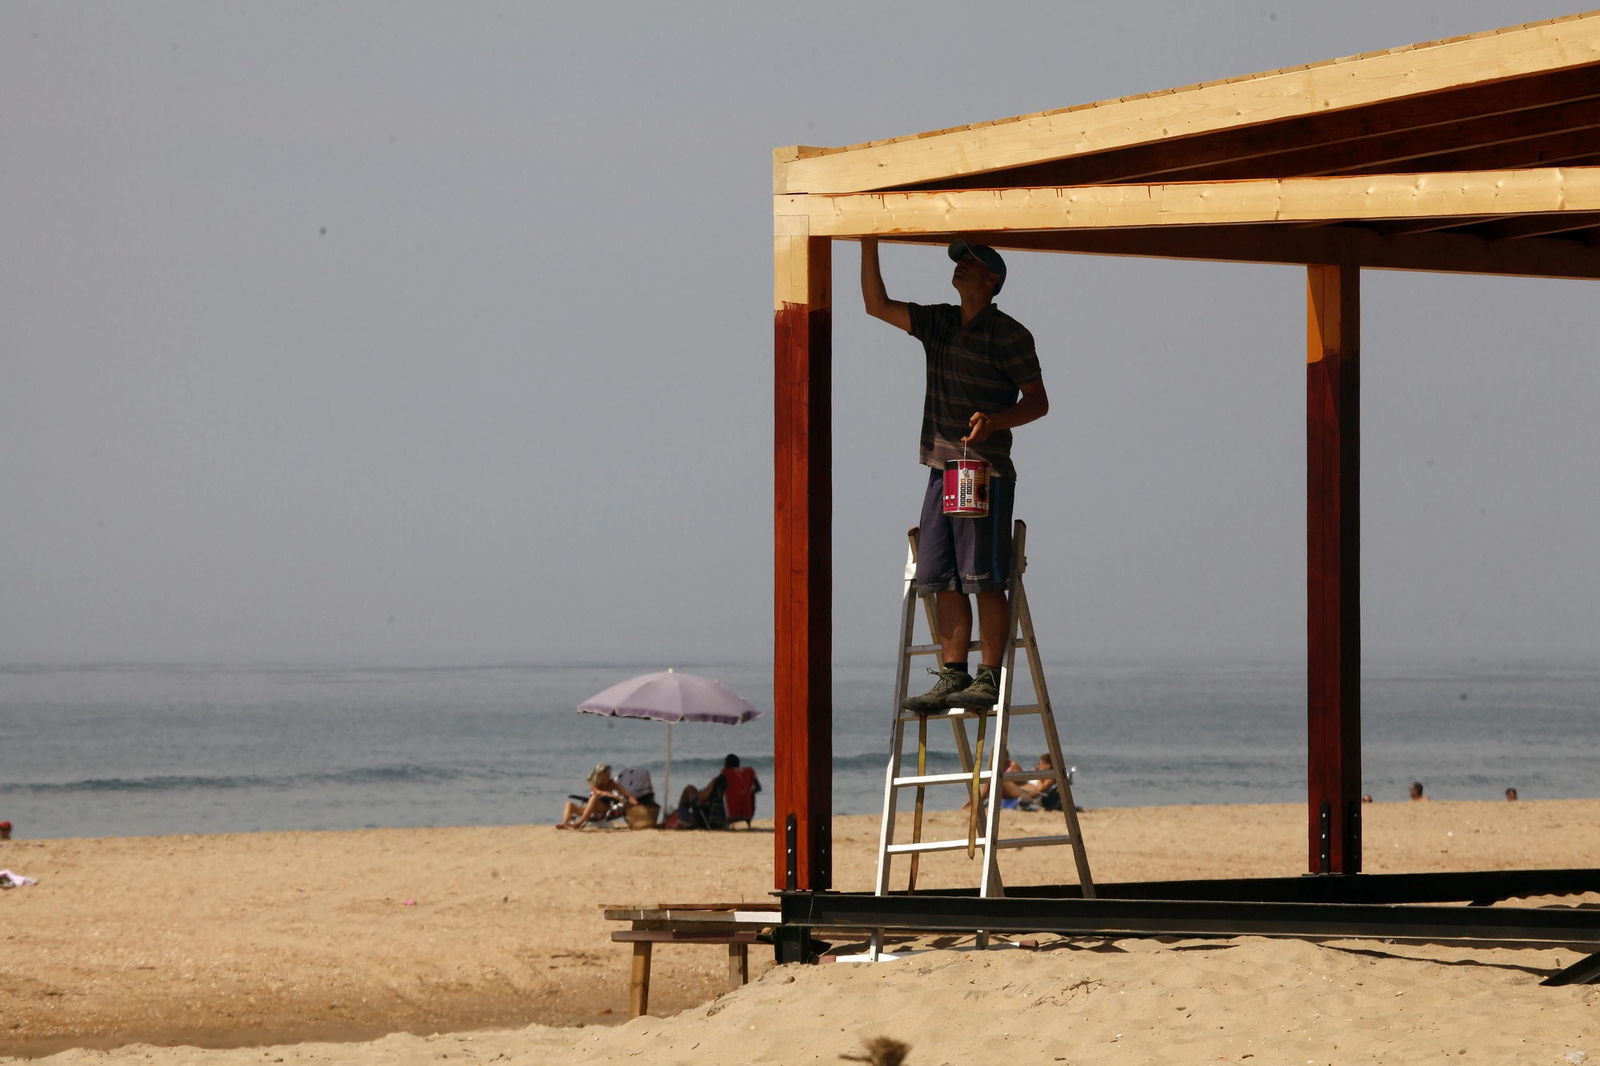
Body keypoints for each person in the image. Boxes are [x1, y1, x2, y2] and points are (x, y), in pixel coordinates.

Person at [861, 236, 1049, 713]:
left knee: (982, 576)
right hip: (940, 468)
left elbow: (1038, 401)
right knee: (939, 576)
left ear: (993, 280)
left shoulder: (1010, 335)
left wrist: (997, 420)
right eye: (959, 260)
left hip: (983, 470)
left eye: (972, 262)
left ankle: (988, 676)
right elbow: (876, 305)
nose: (961, 266)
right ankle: (952, 675)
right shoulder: (940, 322)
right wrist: (868, 240)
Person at [556, 763, 648, 829]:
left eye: (609, 776)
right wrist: (615, 797)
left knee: (593, 798)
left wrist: (636, 804)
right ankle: (564, 824)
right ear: (600, 776)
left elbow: (627, 794)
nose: (608, 778)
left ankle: (579, 823)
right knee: (569, 804)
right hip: (590, 811)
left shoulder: (611, 784)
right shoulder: (593, 783)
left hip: (603, 809)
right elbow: (599, 792)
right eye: (606, 776)